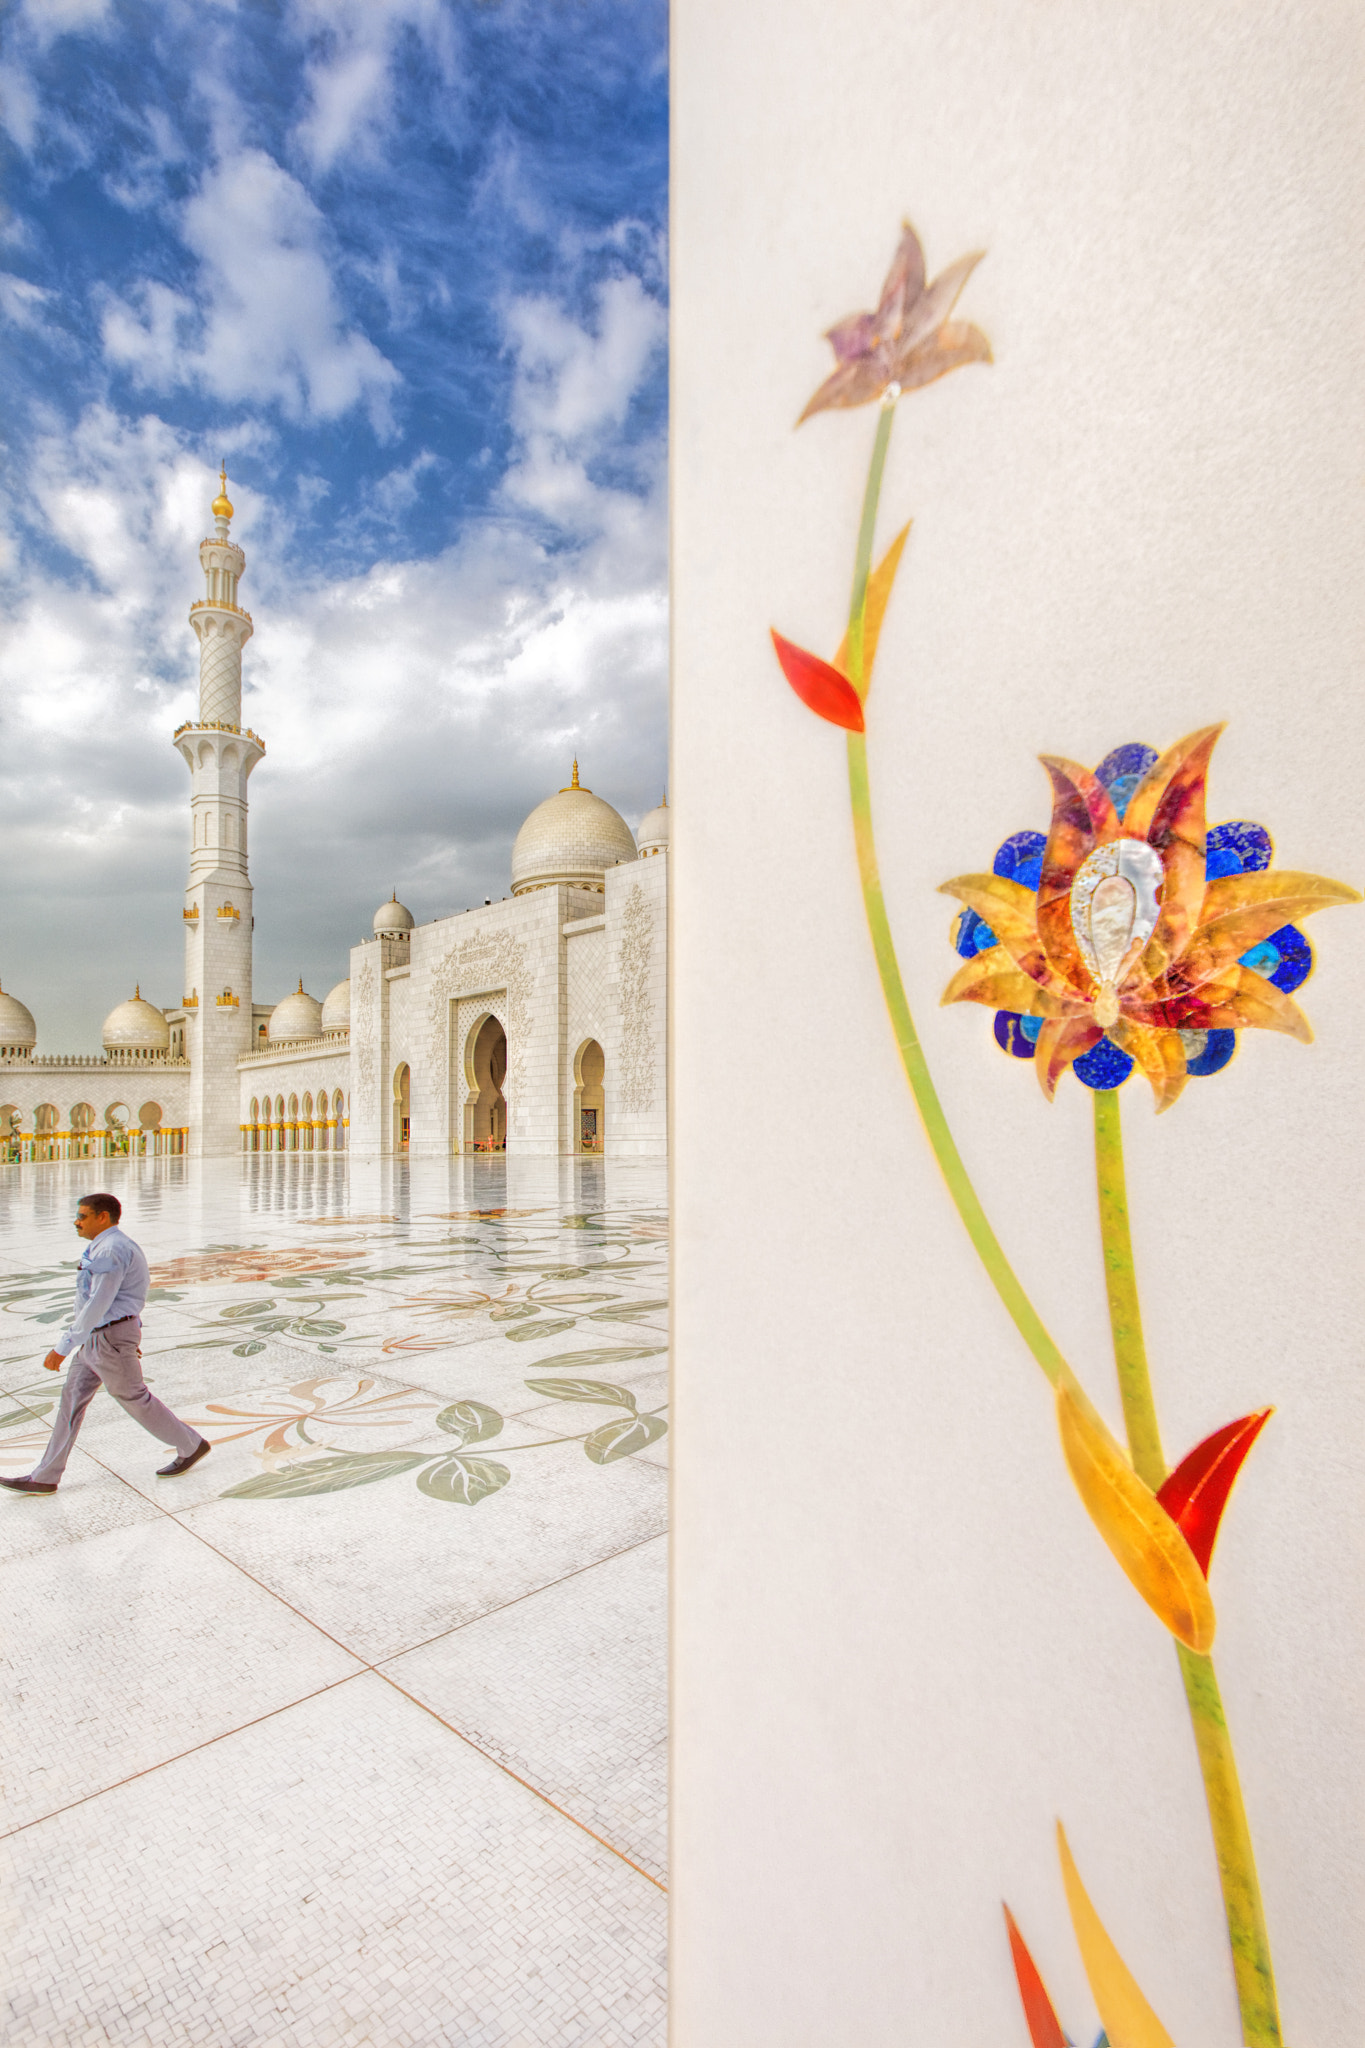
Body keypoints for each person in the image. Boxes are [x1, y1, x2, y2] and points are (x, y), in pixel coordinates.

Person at [0, 1192, 209, 1494]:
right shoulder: (106, 1246)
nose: (77, 1221)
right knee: (71, 1401)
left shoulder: (110, 1250)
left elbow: (98, 1302)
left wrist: (63, 1346)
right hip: (98, 1339)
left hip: (109, 1338)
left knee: (134, 1399)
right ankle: (45, 1476)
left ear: (103, 1217)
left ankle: (191, 1445)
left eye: (83, 1216)